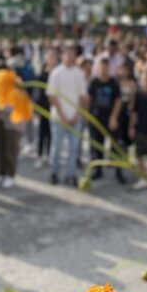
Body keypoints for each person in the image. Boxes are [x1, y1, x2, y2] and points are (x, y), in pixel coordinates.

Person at [47, 44, 88, 186]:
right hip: (59, 118)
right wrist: (63, 116)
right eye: (67, 54)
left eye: (72, 54)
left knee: (73, 148)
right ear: (62, 56)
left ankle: (71, 174)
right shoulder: (56, 73)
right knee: (56, 147)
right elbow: (52, 97)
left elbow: (82, 97)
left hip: (76, 118)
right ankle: (54, 172)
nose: (70, 57)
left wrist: (76, 114)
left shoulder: (79, 74)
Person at [87, 57, 124, 183]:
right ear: (98, 68)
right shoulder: (93, 82)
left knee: (116, 146)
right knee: (96, 146)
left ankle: (119, 171)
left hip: (111, 119)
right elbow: (89, 100)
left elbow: (118, 101)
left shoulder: (113, 83)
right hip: (96, 119)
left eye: (106, 68)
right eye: (102, 67)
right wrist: (88, 116)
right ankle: (97, 170)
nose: (104, 70)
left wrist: (114, 117)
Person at [33, 48, 57, 170]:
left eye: (54, 57)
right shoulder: (42, 74)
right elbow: (38, 93)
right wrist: (37, 109)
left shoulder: (58, 73)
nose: (52, 60)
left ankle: (49, 155)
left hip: (56, 109)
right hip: (44, 108)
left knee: (52, 134)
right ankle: (40, 156)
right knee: (42, 133)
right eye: (50, 57)